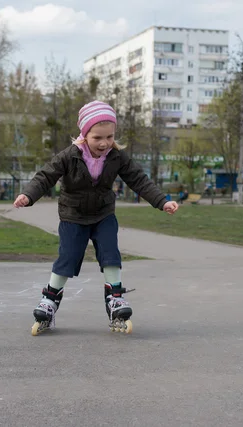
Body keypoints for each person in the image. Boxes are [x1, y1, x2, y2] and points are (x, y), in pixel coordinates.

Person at [13, 100, 179, 331]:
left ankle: (115, 297)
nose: (104, 143)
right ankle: (49, 300)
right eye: (97, 138)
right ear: (84, 135)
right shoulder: (68, 156)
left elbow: (138, 179)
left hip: (103, 215)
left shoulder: (117, 156)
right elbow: (45, 177)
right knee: (68, 256)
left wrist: (162, 201)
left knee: (110, 252)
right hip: (73, 215)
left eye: (109, 137)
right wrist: (28, 196)